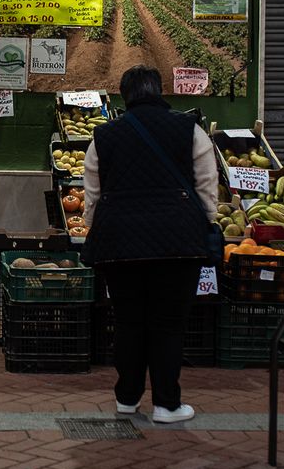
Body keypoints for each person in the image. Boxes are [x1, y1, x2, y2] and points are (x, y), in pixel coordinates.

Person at [83, 65, 218, 425]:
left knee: (128, 322)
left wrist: (95, 230)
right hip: (178, 242)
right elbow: (207, 185)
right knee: (168, 324)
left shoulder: (104, 136)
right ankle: (166, 405)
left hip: (120, 242)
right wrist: (206, 222)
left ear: (124, 95)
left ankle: (127, 400)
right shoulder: (191, 130)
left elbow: (92, 196)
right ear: (159, 91)